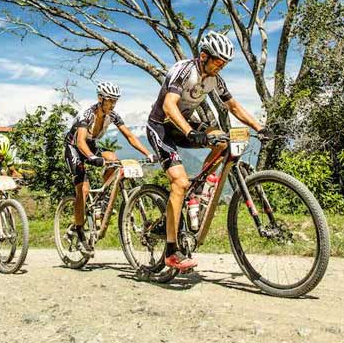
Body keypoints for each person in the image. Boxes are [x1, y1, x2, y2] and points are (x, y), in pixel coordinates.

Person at [146, 31, 264, 272]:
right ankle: (171, 252)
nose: (221, 67)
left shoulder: (214, 79)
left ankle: (198, 189)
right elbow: (169, 106)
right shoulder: (183, 70)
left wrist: (259, 127)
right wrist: (190, 131)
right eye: (218, 61)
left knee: (221, 140)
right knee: (179, 183)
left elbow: (233, 106)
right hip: (161, 127)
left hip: (185, 126)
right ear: (204, 56)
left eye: (225, 63)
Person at [63, 81, 154, 256]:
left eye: (115, 101)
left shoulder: (112, 115)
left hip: (91, 146)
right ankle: (80, 232)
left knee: (113, 158)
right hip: (74, 148)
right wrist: (91, 157)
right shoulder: (87, 114)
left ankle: (101, 202)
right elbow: (81, 141)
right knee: (82, 190)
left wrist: (147, 153)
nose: (113, 104)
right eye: (110, 100)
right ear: (100, 98)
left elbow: (129, 135)